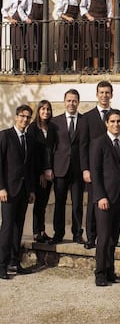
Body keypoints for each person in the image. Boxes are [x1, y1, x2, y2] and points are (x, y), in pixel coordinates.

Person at [80, 81, 120, 249]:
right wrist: (85, 168)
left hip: (112, 168)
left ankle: (110, 238)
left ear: (111, 95)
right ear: (97, 94)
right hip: (94, 168)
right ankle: (91, 237)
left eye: (107, 92)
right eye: (101, 92)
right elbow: (83, 145)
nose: (104, 95)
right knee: (95, 203)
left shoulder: (117, 117)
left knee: (114, 205)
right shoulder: (87, 117)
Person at [90, 110, 120, 286]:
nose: (116, 124)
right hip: (104, 199)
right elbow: (95, 172)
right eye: (113, 121)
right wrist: (100, 196)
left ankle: (109, 271)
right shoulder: (98, 143)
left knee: (114, 239)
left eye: (119, 121)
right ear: (106, 123)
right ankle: (100, 273)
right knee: (104, 237)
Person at [0, 105, 35, 278]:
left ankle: (15, 261)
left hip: (23, 191)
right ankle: (1, 265)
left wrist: (30, 190)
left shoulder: (28, 139)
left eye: (28, 117)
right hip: (8, 190)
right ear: (16, 117)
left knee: (18, 228)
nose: (25, 120)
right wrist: (1, 187)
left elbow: (28, 168)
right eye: (22, 116)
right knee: (6, 228)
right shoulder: (5, 136)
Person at [49, 89, 84, 245]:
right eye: (69, 100)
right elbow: (50, 147)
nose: (71, 103)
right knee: (60, 202)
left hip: (78, 169)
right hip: (60, 168)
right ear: (64, 102)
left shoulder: (84, 121)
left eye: (74, 100)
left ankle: (77, 234)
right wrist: (48, 168)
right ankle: (58, 233)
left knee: (77, 204)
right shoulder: (55, 122)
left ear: (78, 102)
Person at [27, 100, 57, 243]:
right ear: (38, 111)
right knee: (38, 203)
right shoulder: (32, 128)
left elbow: (52, 150)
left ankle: (42, 230)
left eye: (48, 109)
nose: (46, 112)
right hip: (38, 172)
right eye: (43, 109)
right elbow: (33, 154)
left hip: (50, 171)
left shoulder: (52, 128)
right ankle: (36, 231)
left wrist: (50, 169)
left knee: (44, 203)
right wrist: (41, 173)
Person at [79, 0, 113, 72]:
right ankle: (90, 67)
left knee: (102, 44)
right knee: (90, 44)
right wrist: (88, 16)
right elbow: (82, 6)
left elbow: (110, 8)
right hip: (92, 23)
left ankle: (102, 67)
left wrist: (108, 21)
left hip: (102, 22)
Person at [1, 0, 28, 73]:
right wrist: (10, 19)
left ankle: (28, 69)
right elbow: (3, 9)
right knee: (16, 46)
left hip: (26, 25)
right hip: (15, 25)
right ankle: (16, 69)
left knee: (26, 46)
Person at [53, 0, 81, 71]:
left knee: (72, 46)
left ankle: (70, 66)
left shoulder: (76, 1)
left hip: (74, 26)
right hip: (65, 25)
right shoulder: (62, 0)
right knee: (64, 46)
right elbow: (58, 12)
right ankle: (64, 67)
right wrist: (67, 18)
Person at [18, 0, 44, 72]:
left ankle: (37, 68)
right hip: (31, 26)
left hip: (40, 26)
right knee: (30, 46)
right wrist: (25, 19)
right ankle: (30, 69)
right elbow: (20, 8)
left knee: (39, 46)